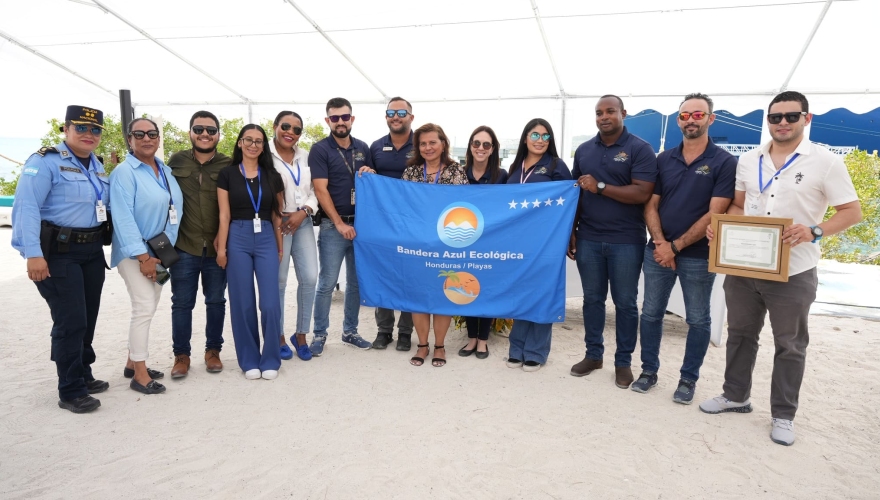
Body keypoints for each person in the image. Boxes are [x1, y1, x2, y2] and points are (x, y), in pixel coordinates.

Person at [699, 91, 861, 446]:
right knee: (740, 334)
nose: (783, 123)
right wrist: (723, 226)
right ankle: (735, 395)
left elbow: (852, 212)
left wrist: (814, 231)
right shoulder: (749, 160)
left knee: (790, 344)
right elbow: (740, 207)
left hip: (795, 271)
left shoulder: (826, 162)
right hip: (744, 266)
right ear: (767, 121)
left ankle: (783, 414)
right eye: (775, 117)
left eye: (791, 116)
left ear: (807, 118)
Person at [632, 93, 736, 403]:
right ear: (679, 120)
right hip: (659, 251)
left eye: (698, 115)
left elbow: (716, 212)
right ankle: (648, 371)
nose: (691, 119)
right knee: (650, 314)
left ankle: (688, 379)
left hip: (698, 255)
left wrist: (674, 248)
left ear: (710, 119)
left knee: (698, 319)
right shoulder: (664, 159)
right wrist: (662, 243)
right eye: (686, 115)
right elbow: (650, 204)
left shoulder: (724, 161)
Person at [11, 105, 111, 413]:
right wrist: (33, 255)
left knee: (88, 317)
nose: (88, 134)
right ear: (65, 129)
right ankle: (70, 389)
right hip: (57, 254)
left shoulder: (97, 165)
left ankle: (83, 370)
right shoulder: (45, 162)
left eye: (95, 130)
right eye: (81, 128)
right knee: (71, 321)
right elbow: (26, 207)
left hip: (92, 252)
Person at [568, 95, 658, 388]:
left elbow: (643, 193)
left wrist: (602, 186)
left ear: (623, 113)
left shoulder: (640, 149)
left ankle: (623, 362)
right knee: (592, 300)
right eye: (598, 113)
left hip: (626, 240)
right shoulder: (583, 150)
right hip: (589, 238)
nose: (604, 117)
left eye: (610, 111)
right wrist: (571, 231)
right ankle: (593, 355)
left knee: (626, 303)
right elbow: (575, 194)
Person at [110, 118, 184, 395]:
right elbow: (123, 218)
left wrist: (163, 252)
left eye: (152, 133)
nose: (146, 138)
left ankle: (132, 362)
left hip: (159, 251)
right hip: (135, 253)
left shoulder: (163, 169)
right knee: (143, 308)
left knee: (149, 306)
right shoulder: (124, 173)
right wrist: (143, 257)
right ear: (129, 139)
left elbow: (174, 211)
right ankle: (139, 375)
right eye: (139, 134)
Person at [216, 125, 285, 380]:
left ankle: (270, 359)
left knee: (270, 303)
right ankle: (248, 359)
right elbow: (224, 215)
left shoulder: (272, 175)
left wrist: (279, 246)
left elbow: (278, 214)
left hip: (267, 235)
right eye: (248, 140)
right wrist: (222, 248)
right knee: (242, 302)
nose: (253, 145)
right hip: (237, 236)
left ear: (263, 146)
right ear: (239, 143)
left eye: (258, 141)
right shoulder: (227, 174)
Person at [504, 119, 572, 372]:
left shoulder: (556, 166)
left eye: (545, 136)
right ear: (525, 138)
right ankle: (516, 348)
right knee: (521, 293)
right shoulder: (514, 167)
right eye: (535, 134)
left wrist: (569, 234)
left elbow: (570, 201)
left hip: (547, 242)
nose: (540, 140)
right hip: (518, 242)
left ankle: (536, 351)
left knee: (543, 293)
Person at [309, 97, 375, 356]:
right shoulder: (320, 149)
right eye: (334, 118)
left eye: (344, 117)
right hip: (333, 227)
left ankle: (350, 331)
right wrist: (338, 223)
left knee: (356, 283)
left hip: (361, 226)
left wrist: (370, 173)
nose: (340, 122)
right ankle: (319, 334)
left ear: (352, 119)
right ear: (328, 121)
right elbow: (320, 190)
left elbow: (372, 184)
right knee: (327, 282)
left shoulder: (363, 147)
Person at [167, 111, 230, 378]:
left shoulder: (229, 164)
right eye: (199, 129)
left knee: (216, 301)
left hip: (218, 247)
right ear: (190, 132)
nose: (205, 134)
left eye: (211, 130)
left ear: (218, 134)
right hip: (184, 245)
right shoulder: (176, 161)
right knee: (182, 303)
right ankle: (181, 355)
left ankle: (213, 351)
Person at [401, 123, 468, 367]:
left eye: (433, 142)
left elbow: (463, 208)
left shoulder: (455, 171)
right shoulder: (410, 173)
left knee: (443, 293)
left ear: (443, 144)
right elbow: (402, 207)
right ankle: (422, 344)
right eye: (423, 143)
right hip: (416, 245)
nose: (428, 147)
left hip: (446, 244)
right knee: (419, 294)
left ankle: (439, 346)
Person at [369, 97, 416, 351]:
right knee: (383, 274)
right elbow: (370, 180)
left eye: (401, 112)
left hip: (412, 225)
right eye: (390, 112)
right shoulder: (376, 146)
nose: (395, 116)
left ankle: (406, 332)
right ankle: (384, 330)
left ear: (411, 116)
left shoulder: (423, 145)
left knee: (409, 276)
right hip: (383, 225)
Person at [270, 111, 318, 362]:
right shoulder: (265, 155)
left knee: (310, 277)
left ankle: (300, 335)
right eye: (286, 126)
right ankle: (277, 336)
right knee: (278, 280)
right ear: (275, 126)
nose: (290, 132)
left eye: (297, 129)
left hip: (303, 221)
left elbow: (315, 190)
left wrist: (305, 211)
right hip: (277, 223)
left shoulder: (306, 156)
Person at [459, 125, 508, 360]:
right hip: (465, 239)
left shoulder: (503, 176)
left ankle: (483, 340)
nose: (480, 148)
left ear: (492, 149)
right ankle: (470, 338)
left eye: (486, 144)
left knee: (487, 288)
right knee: (467, 285)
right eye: (476, 143)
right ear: (470, 147)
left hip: (491, 241)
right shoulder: (459, 174)